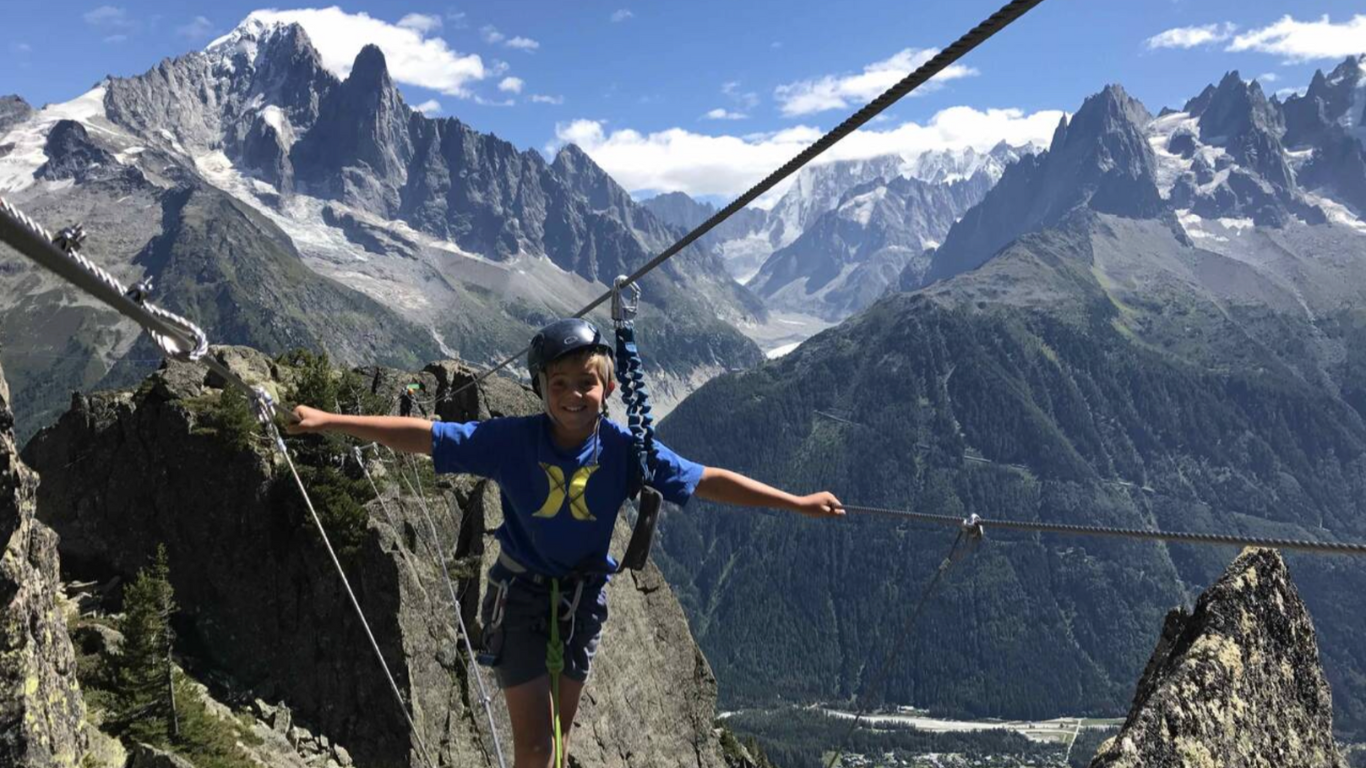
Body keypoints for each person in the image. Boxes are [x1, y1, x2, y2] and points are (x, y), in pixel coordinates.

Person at [288, 318, 844, 768]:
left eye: (587, 382)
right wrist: (329, 420)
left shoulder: (629, 449)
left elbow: (707, 479)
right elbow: (428, 437)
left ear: (607, 386)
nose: (575, 395)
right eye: (560, 384)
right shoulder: (512, 441)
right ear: (542, 390)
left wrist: (795, 502)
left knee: (556, 740)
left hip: (582, 604)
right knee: (534, 747)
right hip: (521, 598)